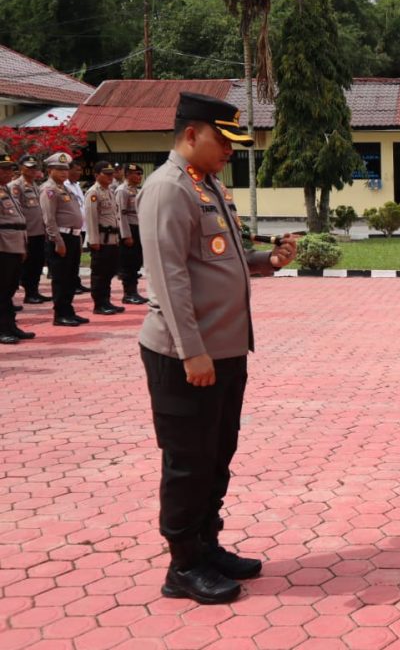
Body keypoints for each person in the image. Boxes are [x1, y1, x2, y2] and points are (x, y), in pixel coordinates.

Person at [138, 92, 297, 605]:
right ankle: (182, 565)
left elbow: (220, 258)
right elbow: (170, 280)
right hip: (188, 354)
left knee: (217, 454)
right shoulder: (167, 189)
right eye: (223, 139)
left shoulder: (207, 186)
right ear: (191, 134)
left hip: (225, 350)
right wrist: (192, 353)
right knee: (187, 459)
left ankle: (207, 544)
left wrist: (269, 261)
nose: (231, 149)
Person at [40, 152, 88, 326]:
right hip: (61, 237)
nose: (63, 173)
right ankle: (60, 314)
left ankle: (68, 310)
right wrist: (57, 241)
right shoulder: (49, 190)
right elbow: (49, 219)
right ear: (49, 170)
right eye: (59, 169)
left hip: (73, 236)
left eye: (65, 169)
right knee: (61, 278)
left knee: (71, 277)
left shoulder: (65, 188)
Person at [83, 161, 125, 315]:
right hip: (101, 239)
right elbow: (91, 218)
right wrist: (94, 241)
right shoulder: (93, 193)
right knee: (100, 273)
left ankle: (106, 301)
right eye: (106, 174)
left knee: (108, 272)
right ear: (96, 175)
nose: (110, 176)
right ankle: (99, 304)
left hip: (112, 239)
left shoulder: (109, 191)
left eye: (111, 173)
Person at [0, 153, 32, 344]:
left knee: (10, 289)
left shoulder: (6, 190)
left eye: (10, 169)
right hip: (3, 247)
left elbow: (18, 221)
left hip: (14, 245)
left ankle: (10, 325)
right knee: (2, 290)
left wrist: (22, 246)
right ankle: (3, 329)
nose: (8, 172)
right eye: (3, 169)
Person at [10, 155, 49, 304]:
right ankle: (27, 294)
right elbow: (16, 210)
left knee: (37, 263)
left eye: (34, 167)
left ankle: (34, 291)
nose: (32, 170)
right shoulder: (16, 186)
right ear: (21, 168)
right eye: (29, 167)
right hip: (26, 233)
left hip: (38, 232)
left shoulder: (35, 185)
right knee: (25, 266)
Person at [116, 163, 148, 305]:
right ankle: (128, 293)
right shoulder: (122, 191)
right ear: (128, 175)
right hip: (129, 229)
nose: (139, 176)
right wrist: (126, 235)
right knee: (128, 263)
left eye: (141, 174)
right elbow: (120, 215)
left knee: (135, 263)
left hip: (138, 228)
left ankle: (133, 291)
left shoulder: (136, 190)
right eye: (136, 174)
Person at [64, 163, 90, 295]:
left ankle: (76, 281)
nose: (80, 172)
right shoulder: (65, 185)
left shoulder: (77, 185)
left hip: (81, 227)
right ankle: (71, 284)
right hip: (69, 228)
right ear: (69, 171)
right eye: (77, 169)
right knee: (69, 259)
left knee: (76, 258)